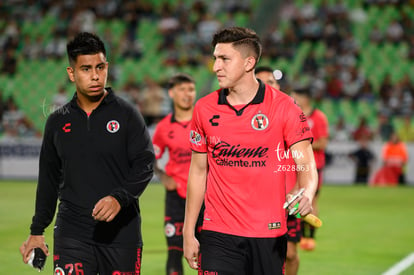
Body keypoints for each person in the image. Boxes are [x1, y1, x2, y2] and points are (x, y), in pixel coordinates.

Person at [183, 26, 318, 275]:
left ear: (248, 62)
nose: (215, 67)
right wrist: (188, 230)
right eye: (215, 58)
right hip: (217, 233)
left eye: (224, 59)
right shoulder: (204, 108)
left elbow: (306, 165)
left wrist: (307, 193)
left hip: (268, 233)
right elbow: (198, 171)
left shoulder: (285, 107)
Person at [19, 32, 155, 274]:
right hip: (72, 234)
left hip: (122, 235)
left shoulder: (127, 114)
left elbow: (144, 164)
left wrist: (118, 198)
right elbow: (48, 180)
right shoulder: (57, 122)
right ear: (72, 73)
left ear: (107, 67)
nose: (95, 76)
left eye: (100, 67)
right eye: (86, 69)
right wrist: (37, 231)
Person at [152, 73, 202, 275]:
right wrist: (164, 177)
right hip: (176, 197)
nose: (187, 94)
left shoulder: (204, 121)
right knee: (174, 252)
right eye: (182, 90)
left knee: (208, 252)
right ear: (172, 93)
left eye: (190, 89)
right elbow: (151, 157)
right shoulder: (164, 127)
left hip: (204, 196)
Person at [255, 66, 300, 275]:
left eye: (270, 82)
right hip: (257, 200)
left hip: (288, 198)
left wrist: (300, 189)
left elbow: (303, 158)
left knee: (290, 254)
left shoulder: (289, 112)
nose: (266, 86)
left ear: (278, 86)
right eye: (260, 82)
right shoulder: (244, 118)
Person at [291, 87, 329, 251]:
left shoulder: (318, 117)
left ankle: (310, 236)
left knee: (312, 200)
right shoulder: (292, 114)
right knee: (294, 199)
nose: (293, 99)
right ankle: (299, 233)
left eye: (296, 96)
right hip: (294, 165)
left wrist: (302, 144)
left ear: (305, 98)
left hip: (314, 165)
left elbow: (322, 143)